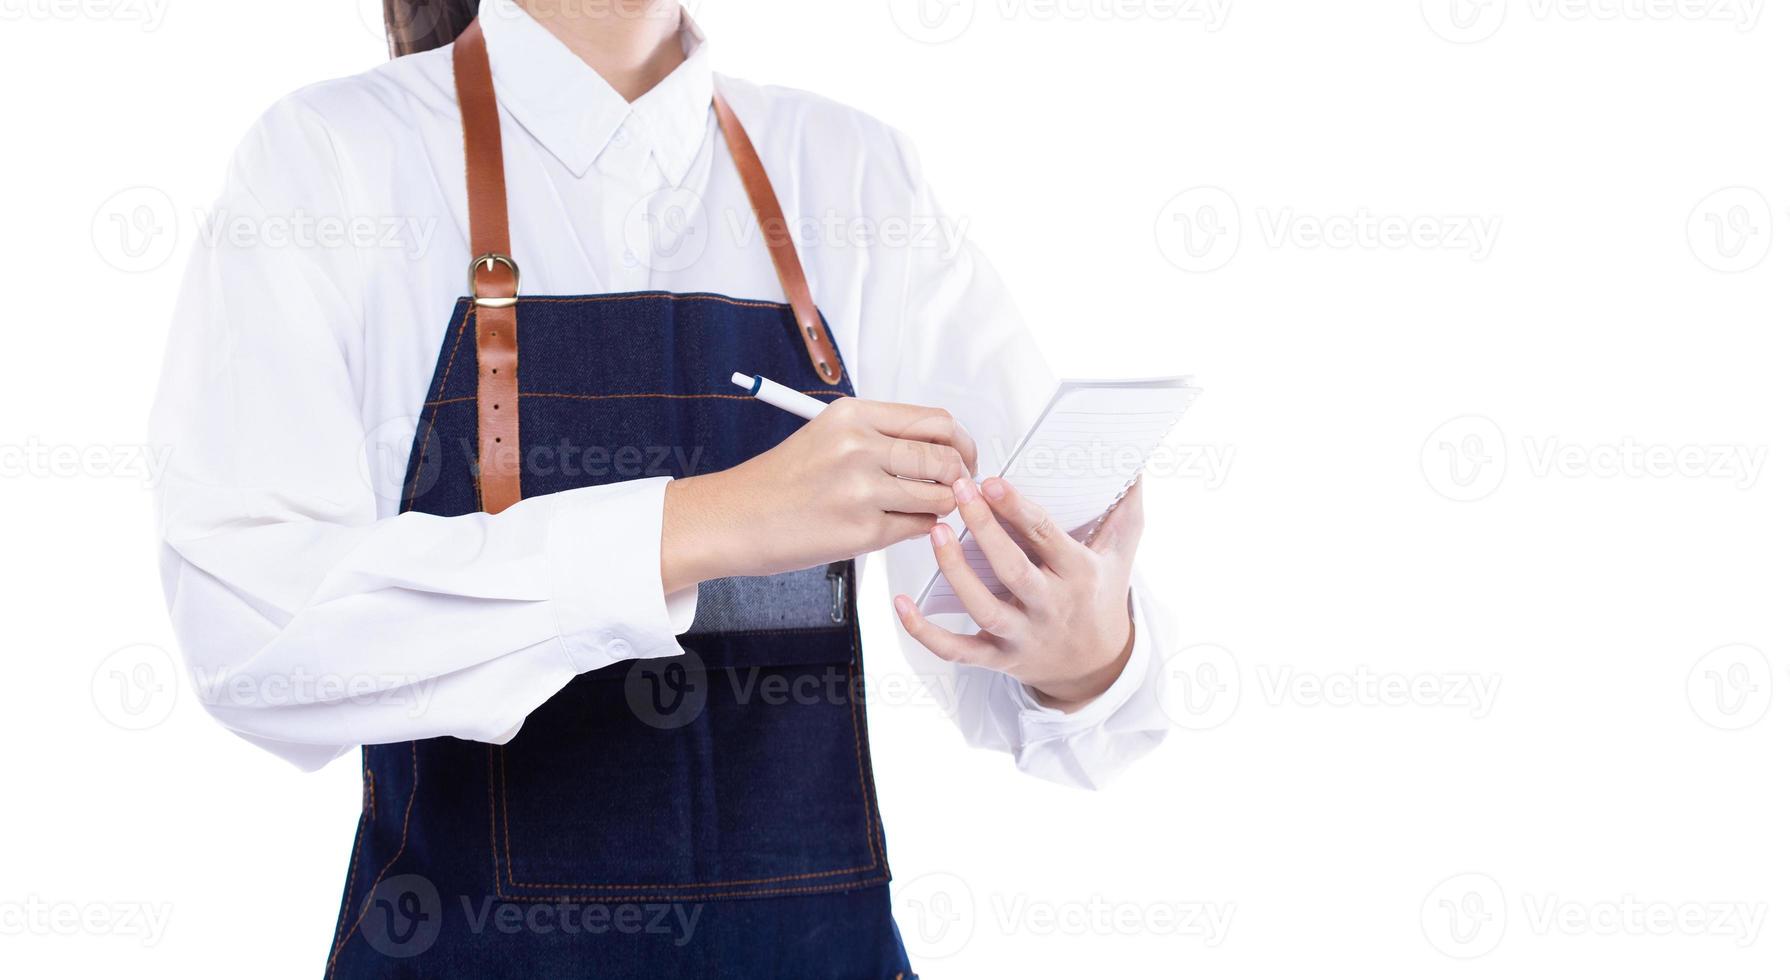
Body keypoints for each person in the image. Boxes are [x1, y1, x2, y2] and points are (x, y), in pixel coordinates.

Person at [149, 0, 1176, 974]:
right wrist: (702, 522)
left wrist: (1085, 652)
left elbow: (1017, 613)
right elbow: (254, 634)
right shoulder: (331, 161)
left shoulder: (855, 175)